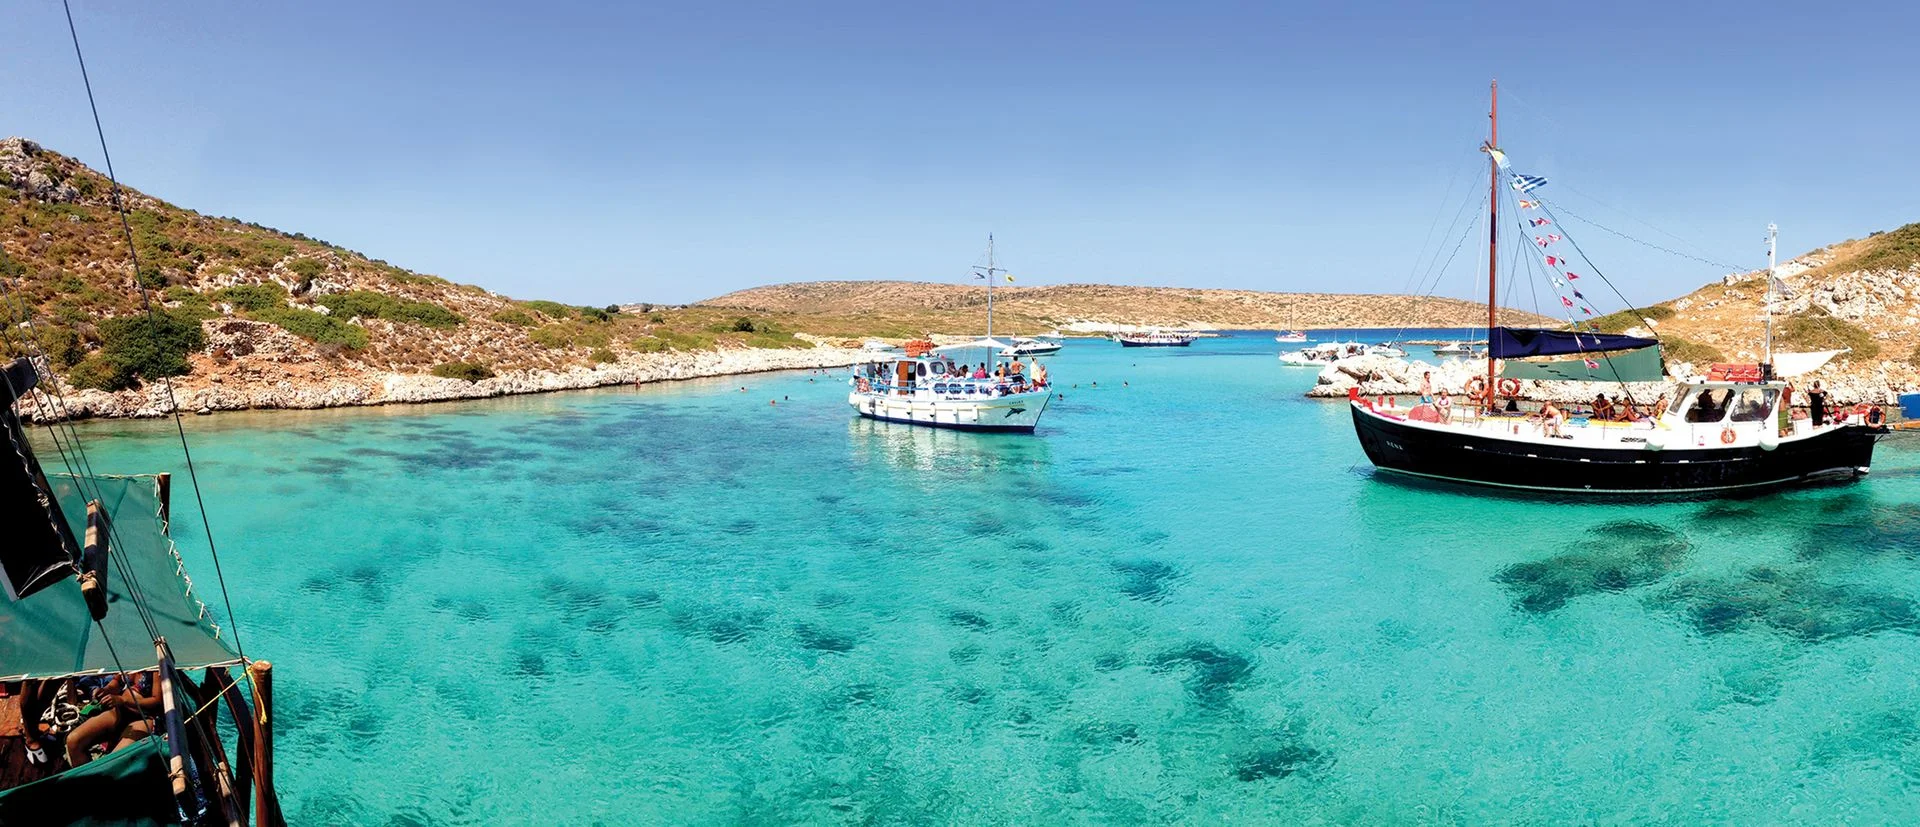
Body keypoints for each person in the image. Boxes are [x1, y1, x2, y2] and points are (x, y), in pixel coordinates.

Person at [64, 671, 161, 767]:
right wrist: (106, 690)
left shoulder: (155, 667)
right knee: (73, 741)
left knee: (111, 762)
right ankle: (88, 778)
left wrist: (123, 700)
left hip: (145, 717)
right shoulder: (130, 659)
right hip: (120, 711)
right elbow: (117, 682)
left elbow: (157, 701)